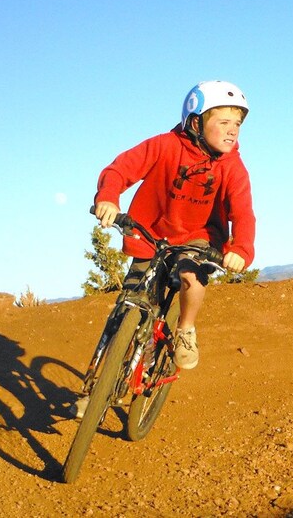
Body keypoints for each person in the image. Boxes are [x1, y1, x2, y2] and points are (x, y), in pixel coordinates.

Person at [93, 80, 256, 371]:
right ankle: (94, 386)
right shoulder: (164, 146)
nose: (233, 129)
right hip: (151, 234)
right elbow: (119, 169)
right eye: (224, 122)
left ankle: (185, 330)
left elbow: (243, 212)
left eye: (238, 123)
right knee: (125, 310)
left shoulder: (232, 167)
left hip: (199, 237)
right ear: (195, 122)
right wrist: (108, 199)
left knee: (191, 277)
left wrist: (241, 248)